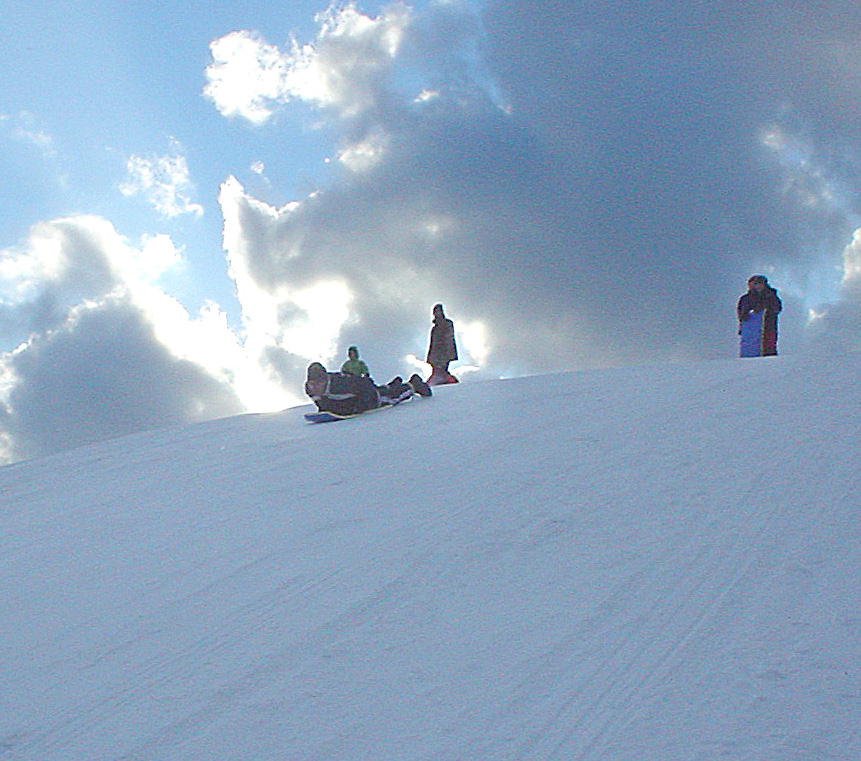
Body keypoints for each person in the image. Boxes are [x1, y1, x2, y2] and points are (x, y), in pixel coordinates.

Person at [304, 363, 430, 416]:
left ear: (326, 380)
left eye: (319, 383)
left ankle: (413, 385)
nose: (315, 387)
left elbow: (365, 385)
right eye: (312, 384)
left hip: (367, 393)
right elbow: (325, 401)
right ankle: (392, 385)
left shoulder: (341, 384)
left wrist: (360, 406)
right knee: (383, 391)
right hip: (353, 398)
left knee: (389, 398)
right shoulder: (310, 390)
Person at [737, 275, 782, 357]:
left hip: (767, 327)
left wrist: (764, 308)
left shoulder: (771, 296)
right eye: (753, 284)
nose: (756, 286)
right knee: (749, 347)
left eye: (758, 283)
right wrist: (744, 317)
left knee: (768, 347)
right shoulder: (745, 298)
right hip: (750, 330)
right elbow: (740, 311)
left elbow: (777, 308)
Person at [426, 303, 459, 385]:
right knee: (437, 373)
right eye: (435, 312)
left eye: (438, 311)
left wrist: (448, 353)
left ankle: (450, 382)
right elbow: (432, 344)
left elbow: (449, 339)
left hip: (444, 352)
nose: (436, 313)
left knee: (442, 371)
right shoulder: (434, 328)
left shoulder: (447, 324)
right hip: (435, 355)